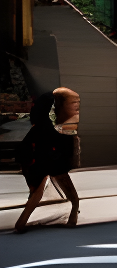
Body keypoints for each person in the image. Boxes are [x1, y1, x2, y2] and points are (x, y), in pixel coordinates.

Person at [13, 89, 81, 232]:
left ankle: (22, 222)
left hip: (36, 161)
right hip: (51, 161)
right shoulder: (53, 126)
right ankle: (73, 215)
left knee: (36, 193)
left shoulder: (39, 124)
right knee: (70, 193)